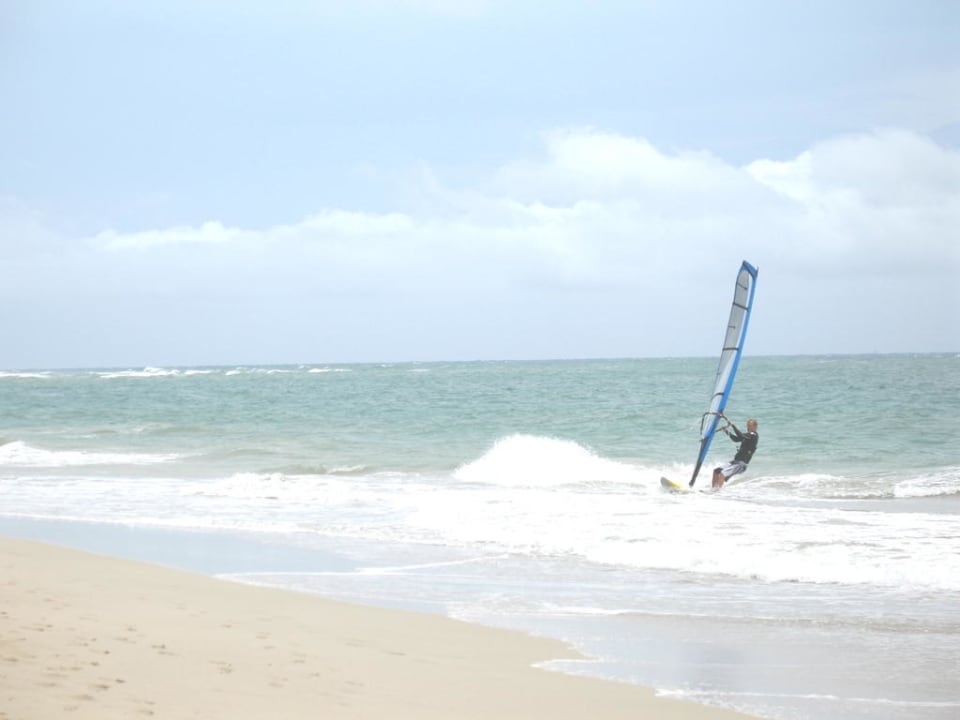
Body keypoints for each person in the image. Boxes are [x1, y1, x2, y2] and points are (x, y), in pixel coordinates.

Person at [712, 417, 758, 489]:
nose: (748, 427)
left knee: (723, 473)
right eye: (747, 426)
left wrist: (733, 426)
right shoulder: (747, 435)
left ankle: (716, 492)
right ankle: (713, 489)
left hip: (741, 464)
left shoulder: (754, 435)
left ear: (755, 427)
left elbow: (741, 435)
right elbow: (736, 439)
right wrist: (726, 431)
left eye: (750, 426)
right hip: (735, 462)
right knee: (716, 471)